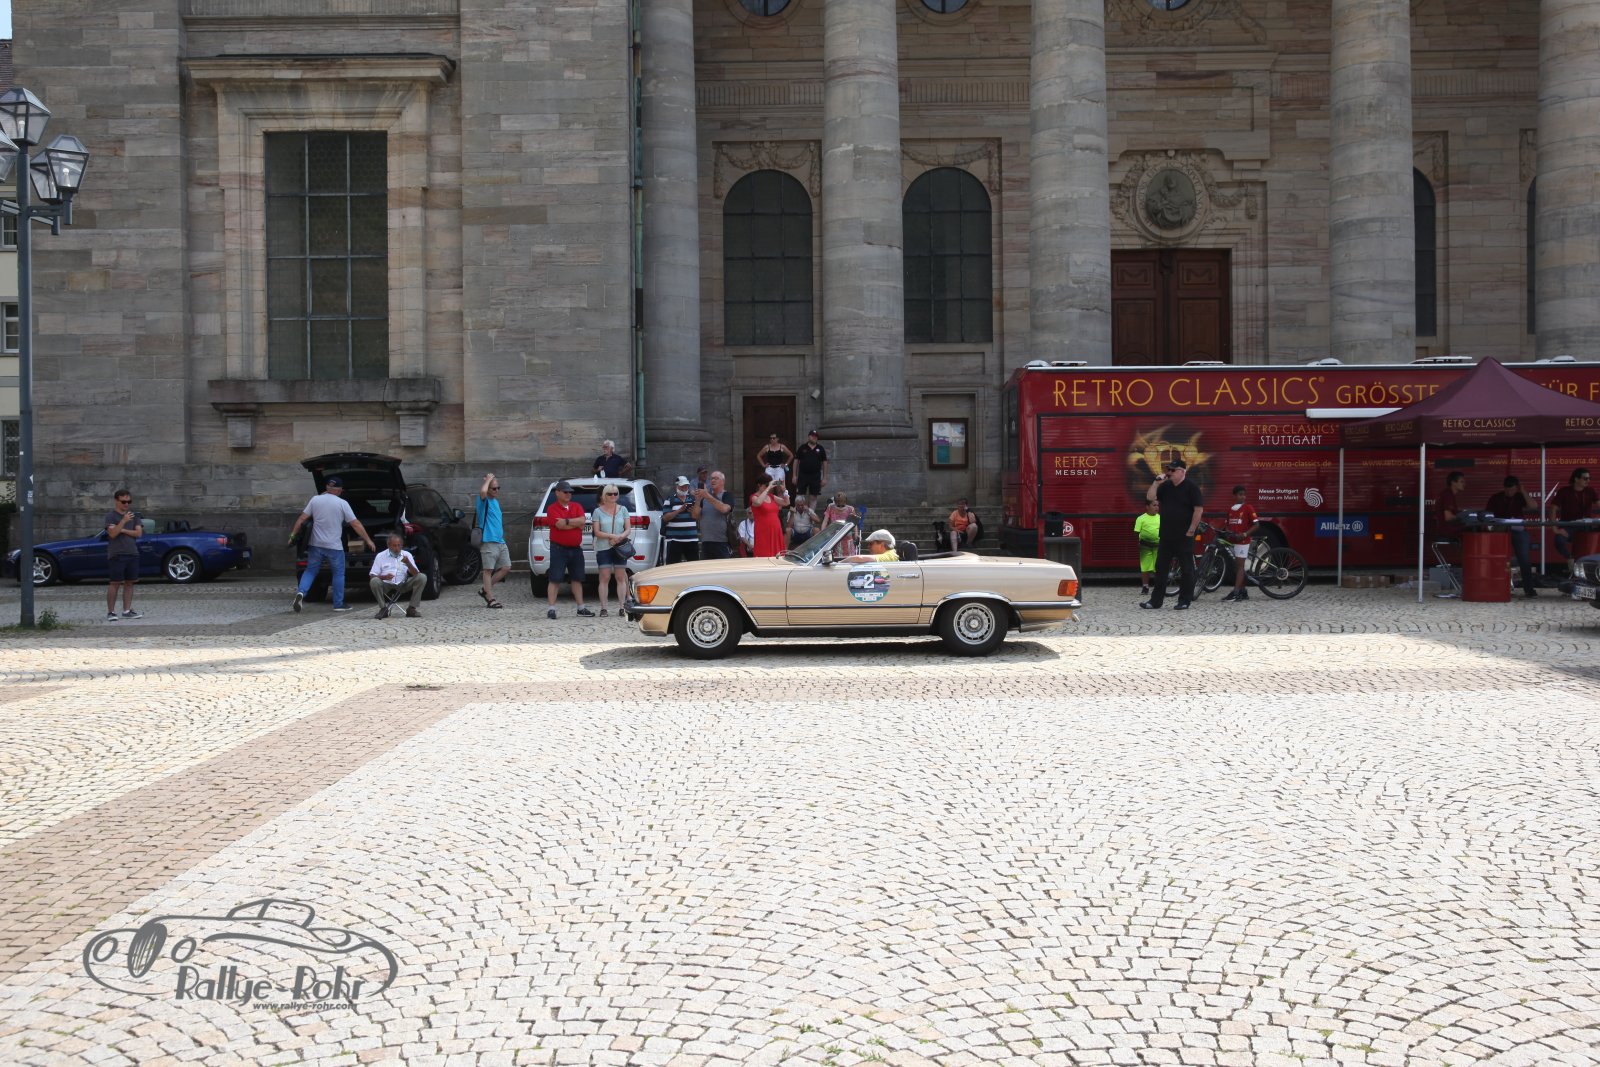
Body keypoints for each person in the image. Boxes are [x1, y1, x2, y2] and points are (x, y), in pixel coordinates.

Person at [290, 475, 376, 613]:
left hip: (315, 544)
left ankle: (301, 592)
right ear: (340, 490)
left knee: (311, 570)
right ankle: (338, 604)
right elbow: (355, 524)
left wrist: (292, 536)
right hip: (334, 546)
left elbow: (301, 519)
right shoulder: (342, 503)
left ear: (327, 487)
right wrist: (368, 540)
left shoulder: (315, 500)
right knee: (338, 574)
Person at [1141, 460, 1203, 610]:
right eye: (1168, 470)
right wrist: (1156, 483)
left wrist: (1191, 530)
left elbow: (1198, 510)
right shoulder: (1166, 487)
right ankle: (1155, 601)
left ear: (1182, 471)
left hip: (1184, 536)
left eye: (1173, 470)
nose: (1169, 472)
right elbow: (1150, 498)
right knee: (1161, 568)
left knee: (1186, 569)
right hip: (1166, 535)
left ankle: (1184, 601)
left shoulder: (1191, 487)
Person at [545, 480, 595, 619]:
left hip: (576, 548)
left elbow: (582, 523)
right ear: (557, 493)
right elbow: (559, 525)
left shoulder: (577, 506)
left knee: (577, 578)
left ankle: (581, 607)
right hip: (558, 548)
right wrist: (574, 522)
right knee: (555, 579)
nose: (568, 494)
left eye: (570, 492)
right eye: (565, 492)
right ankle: (551, 608)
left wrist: (567, 521)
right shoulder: (552, 508)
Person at [1486, 475, 1538, 598]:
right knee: (1498, 558)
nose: (1510, 492)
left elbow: (1534, 506)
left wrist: (1523, 491)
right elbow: (1487, 515)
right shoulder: (1496, 498)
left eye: (1513, 489)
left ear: (1517, 488)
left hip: (1519, 530)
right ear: (1504, 488)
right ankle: (1498, 586)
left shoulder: (1520, 496)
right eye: (1508, 489)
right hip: (1501, 530)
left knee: (1524, 559)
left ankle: (1529, 589)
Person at [591, 484, 632, 617]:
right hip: (604, 547)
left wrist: (619, 537)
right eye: (610, 493)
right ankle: (604, 608)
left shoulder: (623, 509)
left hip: (619, 547)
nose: (613, 496)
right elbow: (597, 532)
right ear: (604, 495)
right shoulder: (597, 512)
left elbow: (628, 529)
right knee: (604, 577)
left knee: (620, 577)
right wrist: (612, 536)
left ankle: (622, 607)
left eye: (615, 493)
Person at [103, 488, 144, 621]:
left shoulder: (134, 516)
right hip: (117, 554)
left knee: (130, 583)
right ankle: (111, 612)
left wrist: (123, 529)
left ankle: (127, 610)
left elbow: (138, 533)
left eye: (129, 501)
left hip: (132, 552)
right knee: (114, 583)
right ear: (116, 501)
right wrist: (123, 521)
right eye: (123, 501)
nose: (126, 504)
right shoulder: (111, 516)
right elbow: (113, 534)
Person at [369, 531, 424, 619]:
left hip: (403, 584)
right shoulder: (380, 556)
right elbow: (372, 575)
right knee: (374, 581)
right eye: (394, 546)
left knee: (422, 577)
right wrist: (384, 577)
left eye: (399, 545)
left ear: (402, 545)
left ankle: (412, 608)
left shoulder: (407, 555)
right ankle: (383, 609)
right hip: (386, 584)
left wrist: (408, 563)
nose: (397, 548)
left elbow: (416, 574)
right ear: (389, 545)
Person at [1552, 467, 1597, 574]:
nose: (1588, 481)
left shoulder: (1590, 491)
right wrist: (1555, 528)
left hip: (1586, 526)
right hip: (1569, 526)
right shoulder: (1564, 491)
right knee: (1559, 540)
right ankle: (1570, 559)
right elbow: (1553, 508)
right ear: (1576, 479)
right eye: (1585, 478)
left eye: (1589, 478)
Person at [1220, 485, 1260, 603]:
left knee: (1240, 566)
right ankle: (1243, 591)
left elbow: (1256, 525)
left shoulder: (1248, 508)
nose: (1243, 497)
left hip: (1243, 541)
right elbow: (1227, 525)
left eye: (1244, 494)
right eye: (1240, 494)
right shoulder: (1230, 510)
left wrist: (1245, 534)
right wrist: (1228, 533)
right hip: (1233, 542)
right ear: (1234, 496)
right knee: (1237, 567)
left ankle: (1236, 593)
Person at [476, 472, 509, 609]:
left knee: (506, 567)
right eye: (494, 488)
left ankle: (485, 589)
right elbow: (483, 492)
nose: (496, 490)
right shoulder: (483, 501)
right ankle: (490, 598)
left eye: (498, 488)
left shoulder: (495, 502)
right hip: (488, 540)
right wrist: (488, 479)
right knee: (488, 570)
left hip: (500, 541)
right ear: (488, 488)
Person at [693, 470, 735, 559]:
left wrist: (707, 496)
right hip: (706, 542)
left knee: (722, 567)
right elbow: (695, 516)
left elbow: (724, 509)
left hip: (722, 542)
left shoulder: (727, 495)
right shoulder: (704, 498)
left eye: (716, 478)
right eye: (711, 478)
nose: (713, 480)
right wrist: (698, 500)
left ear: (723, 481)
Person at [661, 476, 700, 564]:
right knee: (672, 566)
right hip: (674, 540)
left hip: (691, 539)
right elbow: (665, 518)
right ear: (677, 486)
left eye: (686, 486)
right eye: (682, 486)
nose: (684, 488)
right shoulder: (670, 499)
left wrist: (693, 511)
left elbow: (698, 517)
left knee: (694, 566)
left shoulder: (693, 499)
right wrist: (679, 510)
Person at [750, 472, 788, 557]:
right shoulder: (754, 497)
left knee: (777, 554)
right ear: (759, 485)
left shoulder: (771, 496)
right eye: (766, 485)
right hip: (763, 530)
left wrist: (784, 490)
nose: (768, 487)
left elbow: (786, 502)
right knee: (764, 553)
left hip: (776, 529)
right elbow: (758, 502)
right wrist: (768, 488)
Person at [1133, 499, 1161, 598]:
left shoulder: (1161, 518)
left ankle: (1158, 587)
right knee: (1145, 567)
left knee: (1158, 567)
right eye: (1154, 505)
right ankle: (1145, 587)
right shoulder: (1141, 518)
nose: (1157, 507)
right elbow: (1136, 532)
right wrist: (1138, 542)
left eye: (1157, 505)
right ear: (1147, 507)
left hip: (1158, 545)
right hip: (1145, 546)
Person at [794, 430, 829, 498]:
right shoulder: (802, 447)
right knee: (799, 497)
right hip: (803, 475)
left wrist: (824, 478)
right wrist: (794, 475)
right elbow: (796, 461)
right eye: (812, 436)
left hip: (815, 476)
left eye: (816, 436)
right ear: (808, 437)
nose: (814, 437)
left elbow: (825, 462)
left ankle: (811, 506)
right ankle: (800, 505)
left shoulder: (820, 448)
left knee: (813, 497)